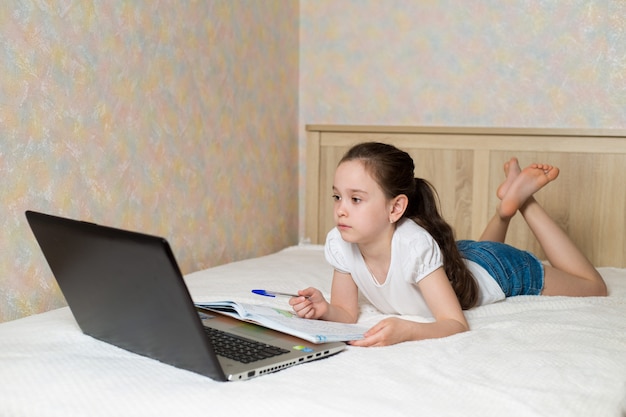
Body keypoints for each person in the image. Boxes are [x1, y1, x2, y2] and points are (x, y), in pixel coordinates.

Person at [289, 142, 607, 347]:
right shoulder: (341, 241)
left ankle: (524, 203)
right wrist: (324, 309)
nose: (341, 208)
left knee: (593, 286)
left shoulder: (414, 244)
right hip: (461, 260)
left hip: (500, 268)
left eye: (356, 199)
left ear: (395, 208)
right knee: (472, 262)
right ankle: (505, 208)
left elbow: (455, 324)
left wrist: (408, 331)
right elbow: (345, 312)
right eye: (337, 196)